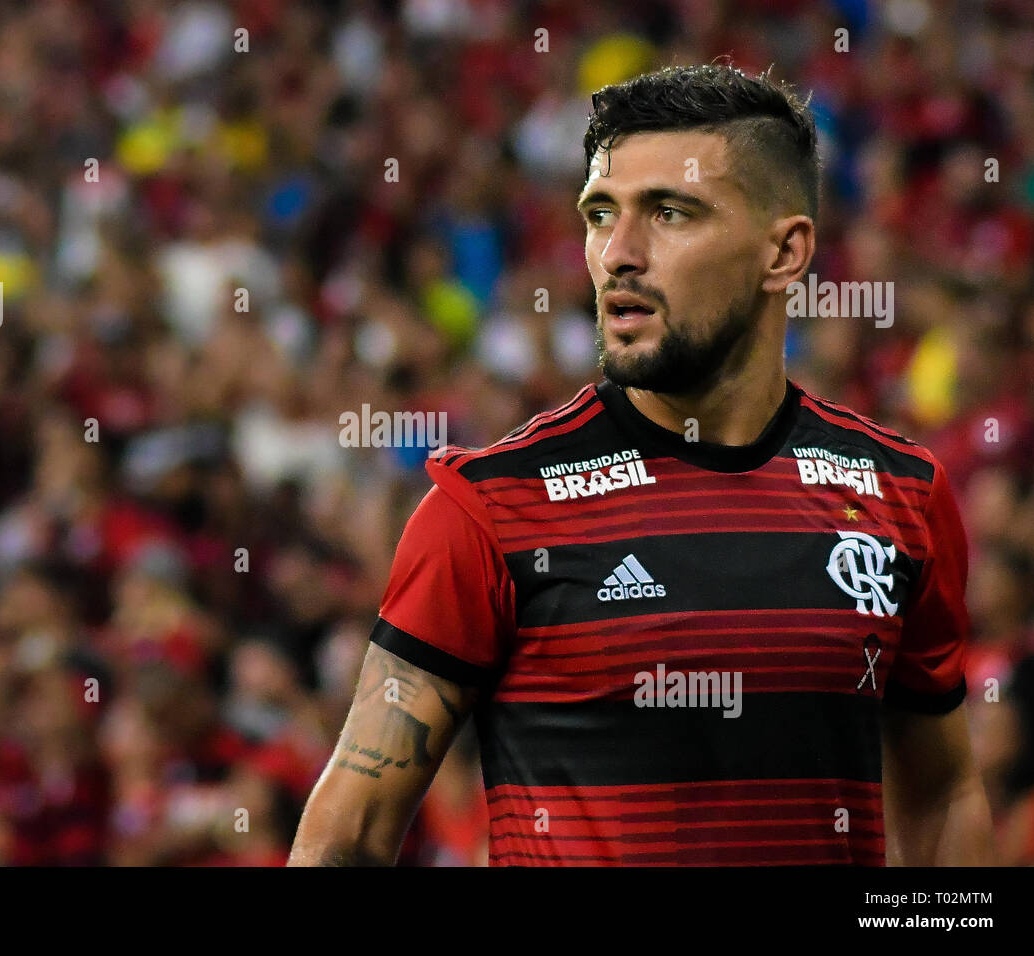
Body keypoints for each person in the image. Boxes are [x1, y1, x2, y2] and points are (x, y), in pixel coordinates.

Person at [288, 63, 996, 866]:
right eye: (600, 214)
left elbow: (942, 798)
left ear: (785, 253)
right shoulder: (488, 509)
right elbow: (346, 835)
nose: (618, 254)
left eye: (670, 212)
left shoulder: (901, 495)